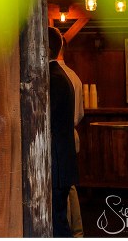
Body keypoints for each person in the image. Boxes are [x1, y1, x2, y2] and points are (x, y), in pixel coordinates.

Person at [48, 26, 79, 237]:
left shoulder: (54, 78)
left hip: (58, 165)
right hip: (62, 164)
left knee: (58, 224)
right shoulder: (59, 75)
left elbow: (46, 121)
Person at [54, 33, 85, 238]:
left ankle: (70, 229)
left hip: (58, 136)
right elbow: (80, 113)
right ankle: (78, 230)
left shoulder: (54, 75)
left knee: (61, 190)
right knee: (69, 187)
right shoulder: (74, 76)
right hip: (71, 133)